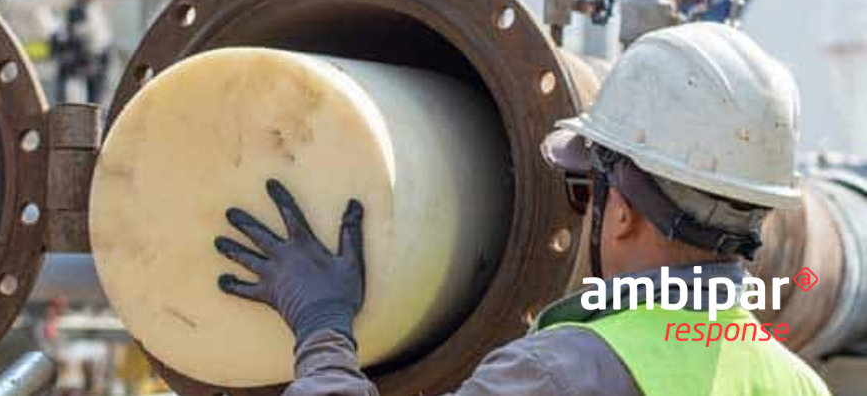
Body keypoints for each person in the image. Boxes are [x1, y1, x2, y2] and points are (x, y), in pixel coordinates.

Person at [214, 23, 832, 396]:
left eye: (584, 190)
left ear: (621, 213)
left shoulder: (560, 374)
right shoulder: (797, 383)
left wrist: (322, 326)